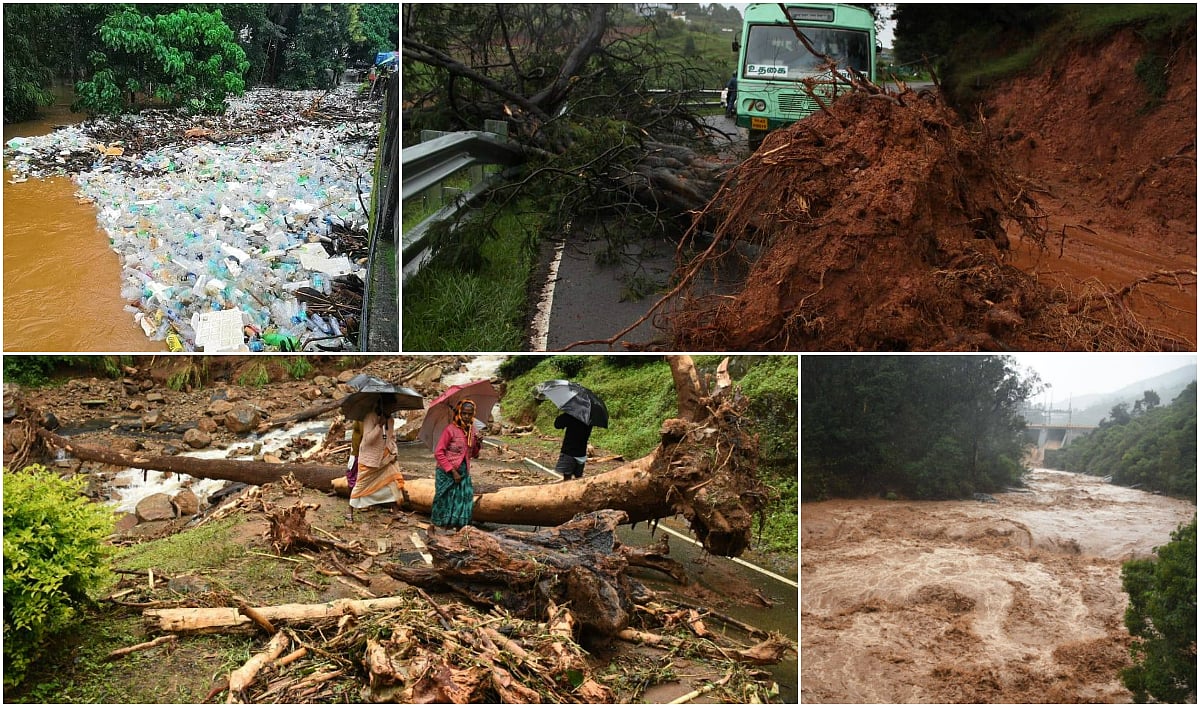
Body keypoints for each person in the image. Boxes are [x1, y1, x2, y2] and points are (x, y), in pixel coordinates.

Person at [348, 400, 406, 519]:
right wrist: (379, 425)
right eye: (390, 407)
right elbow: (368, 439)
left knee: (394, 482)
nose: (392, 410)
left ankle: (395, 511)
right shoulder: (370, 417)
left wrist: (394, 453)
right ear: (382, 405)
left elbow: (390, 439)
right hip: (369, 459)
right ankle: (349, 511)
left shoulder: (390, 420)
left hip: (386, 458)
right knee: (361, 485)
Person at [432, 399, 481, 529]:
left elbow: (474, 454)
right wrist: (452, 471)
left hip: (464, 473)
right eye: (464, 413)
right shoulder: (450, 430)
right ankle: (441, 529)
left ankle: (458, 529)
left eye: (469, 414)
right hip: (447, 473)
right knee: (444, 501)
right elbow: (438, 453)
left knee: (463, 500)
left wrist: (478, 443)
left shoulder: (472, 432)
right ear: (459, 413)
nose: (466, 416)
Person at [554, 412, 592, 481]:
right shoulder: (590, 416)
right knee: (578, 479)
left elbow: (557, 424)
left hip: (569, 452)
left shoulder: (572, 414)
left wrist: (560, 416)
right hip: (581, 453)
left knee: (567, 479)